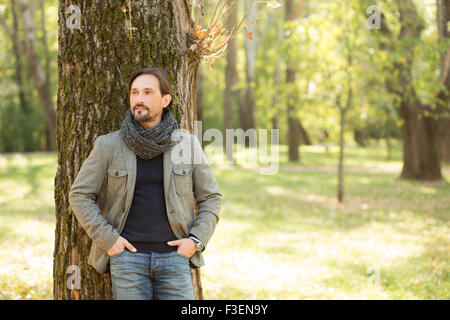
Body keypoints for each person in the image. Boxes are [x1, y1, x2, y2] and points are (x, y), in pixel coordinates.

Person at [69, 67, 222, 300]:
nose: (139, 98)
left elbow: (210, 197)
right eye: (135, 92)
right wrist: (109, 241)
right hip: (127, 259)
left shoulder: (187, 145)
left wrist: (195, 241)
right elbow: (79, 194)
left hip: (176, 258)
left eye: (148, 92)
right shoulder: (109, 145)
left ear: (165, 100)